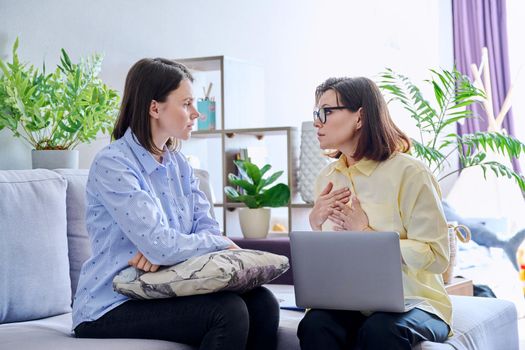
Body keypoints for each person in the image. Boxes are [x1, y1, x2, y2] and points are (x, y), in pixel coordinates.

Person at [72, 58, 279, 350]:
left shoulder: (179, 164)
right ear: (155, 108)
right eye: (186, 104)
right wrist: (203, 245)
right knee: (227, 312)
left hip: (163, 289)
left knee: (263, 302)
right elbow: (163, 245)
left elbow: (201, 229)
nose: (196, 113)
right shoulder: (114, 163)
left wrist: (170, 250)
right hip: (111, 304)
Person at [298, 77, 452, 350]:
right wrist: (315, 222)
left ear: (360, 117)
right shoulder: (327, 177)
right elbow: (334, 257)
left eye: (326, 112)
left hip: (416, 303)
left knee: (381, 331)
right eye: (315, 113)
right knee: (314, 324)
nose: (316, 122)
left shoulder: (410, 173)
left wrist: (367, 235)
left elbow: (438, 257)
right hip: (351, 302)